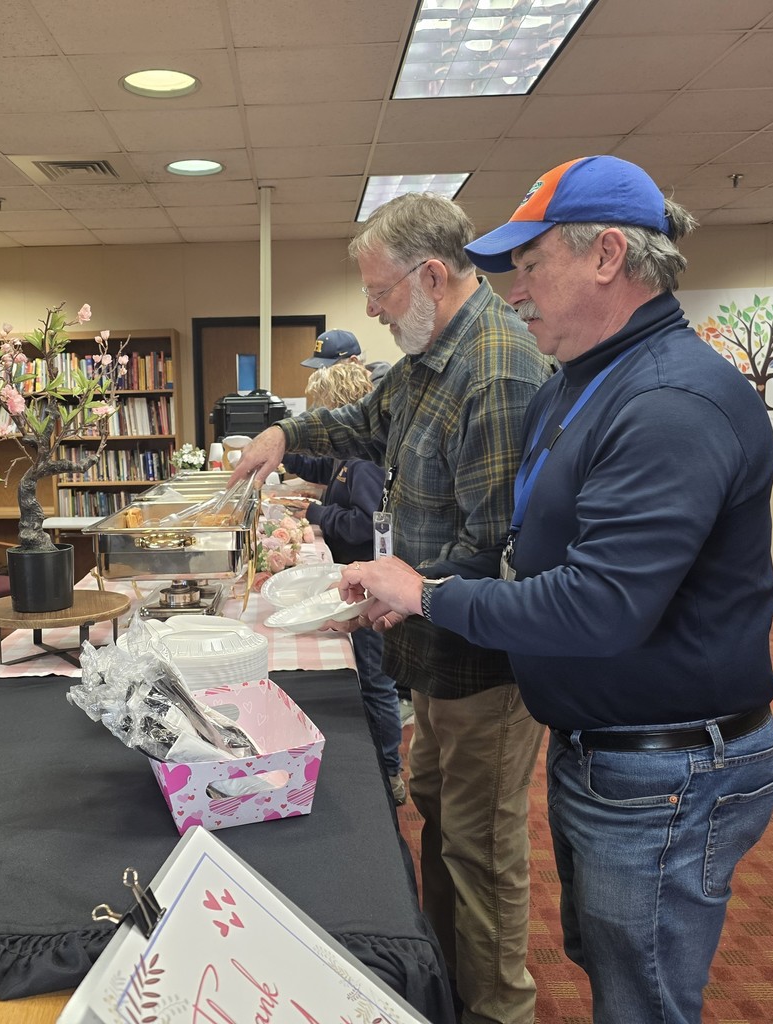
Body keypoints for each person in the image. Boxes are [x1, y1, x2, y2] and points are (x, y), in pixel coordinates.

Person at [337, 156, 773, 1024]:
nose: (514, 290)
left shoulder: (668, 401)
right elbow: (516, 549)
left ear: (608, 255)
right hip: (606, 750)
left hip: (668, 765)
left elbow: (596, 605)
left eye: (531, 265)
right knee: (608, 967)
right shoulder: (584, 381)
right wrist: (424, 587)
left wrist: (429, 596)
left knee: (641, 994)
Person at [231, 191, 552, 1024]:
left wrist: (405, 594)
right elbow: (361, 424)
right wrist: (281, 435)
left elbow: (499, 550)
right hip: (435, 664)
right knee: (446, 840)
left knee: (481, 860)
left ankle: (495, 1011)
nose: (370, 310)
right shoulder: (426, 361)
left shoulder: (498, 369)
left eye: (378, 291)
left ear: (433, 275)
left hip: (482, 672)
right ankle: (446, 992)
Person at [283, 361, 406, 804]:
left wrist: (317, 514)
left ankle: (390, 772)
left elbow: (371, 525)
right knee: (371, 678)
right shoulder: (346, 459)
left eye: (322, 409)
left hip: (371, 586)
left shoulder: (363, 461)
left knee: (374, 681)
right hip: (357, 579)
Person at [301, 327, 391, 385]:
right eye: (318, 369)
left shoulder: (384, 389)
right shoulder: (338, 389)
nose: (323, 375)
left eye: (329, 369)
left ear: (353, 362)